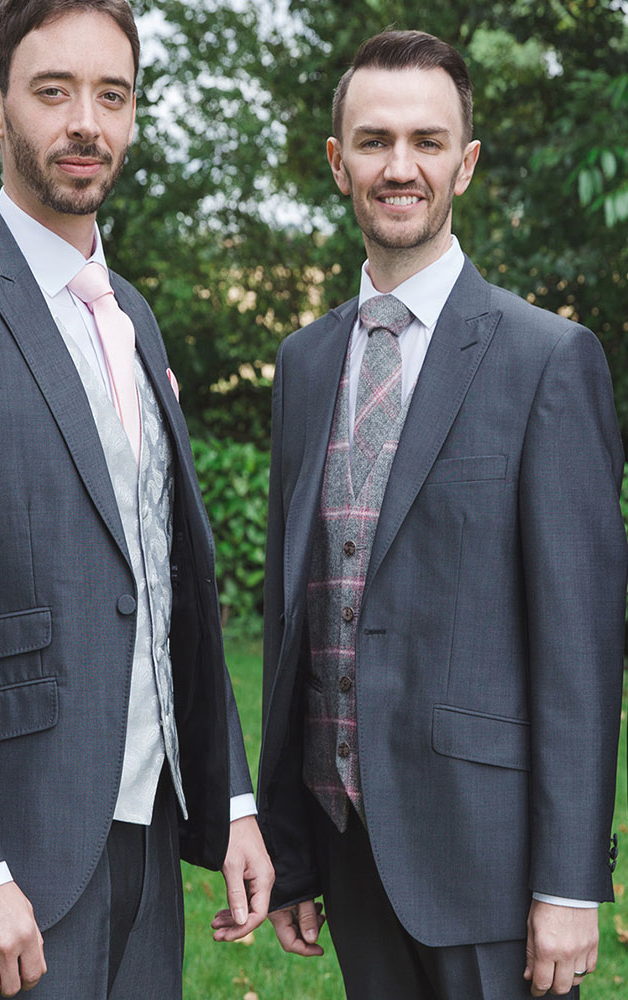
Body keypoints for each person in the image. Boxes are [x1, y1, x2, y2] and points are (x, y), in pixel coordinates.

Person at [0, 1, 273, 997]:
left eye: (111, 95)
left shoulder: (135, 320)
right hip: (16, 849)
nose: (86, 122)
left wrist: (233, 800)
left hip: (150, 827)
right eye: (53, 91)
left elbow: (168, 576)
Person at [254, 29, 626, 1000]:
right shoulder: (303, 363)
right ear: (338, 162)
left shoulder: (547, 360)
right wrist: (291, 848)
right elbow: (292, 616)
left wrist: (567, 882)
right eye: (374, 140)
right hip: (346, 843)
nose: (399, 166)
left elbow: (579, 651)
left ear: (464, 164)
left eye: (426, 141)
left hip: (488, 859)